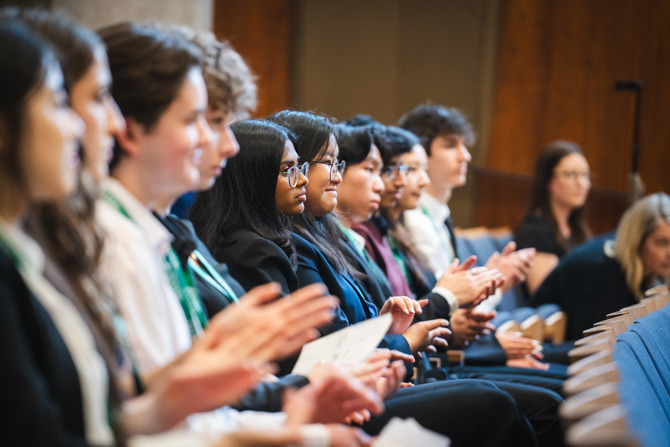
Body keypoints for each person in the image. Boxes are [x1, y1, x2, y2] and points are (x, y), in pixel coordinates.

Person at [532, 193, 670, 340]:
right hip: (539, 346)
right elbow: (591, 347)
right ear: (637, 241)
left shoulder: (649, 268)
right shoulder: (602, 273)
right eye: (662, 243)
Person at [515, 141, 592, 295]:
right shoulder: (535, 231)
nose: (581, 183)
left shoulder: (577, 230)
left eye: (585, 175)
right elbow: (545, 293)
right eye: (571, 174)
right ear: (548, 181)